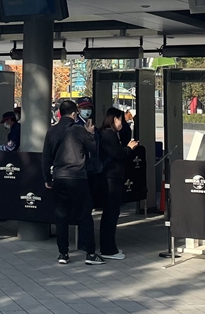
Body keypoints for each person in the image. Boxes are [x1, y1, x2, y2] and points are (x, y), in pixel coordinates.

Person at [43, 99, 103, 266]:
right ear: (75, 113)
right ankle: (90, 253)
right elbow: (93, 149)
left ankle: (63, 253)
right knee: (84, 215)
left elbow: (46, 157)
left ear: (60, 113)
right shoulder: (78, 130)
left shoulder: (52, 131)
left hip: (59, 177)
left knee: (61, 216)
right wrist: (90, 134)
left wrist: (47, 179)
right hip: (77, 177)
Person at [91, 108, 139, 260]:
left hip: (109, 177)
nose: (122, 124)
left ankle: (109, 246)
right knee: (111, 213)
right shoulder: (108, 134)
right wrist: (129, 148)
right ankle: (108, 248)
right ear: (114, 119)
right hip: (111, 178)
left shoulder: (107, 133)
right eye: (121, 120)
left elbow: (124, 135)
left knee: (111, 213)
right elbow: (117, 154)